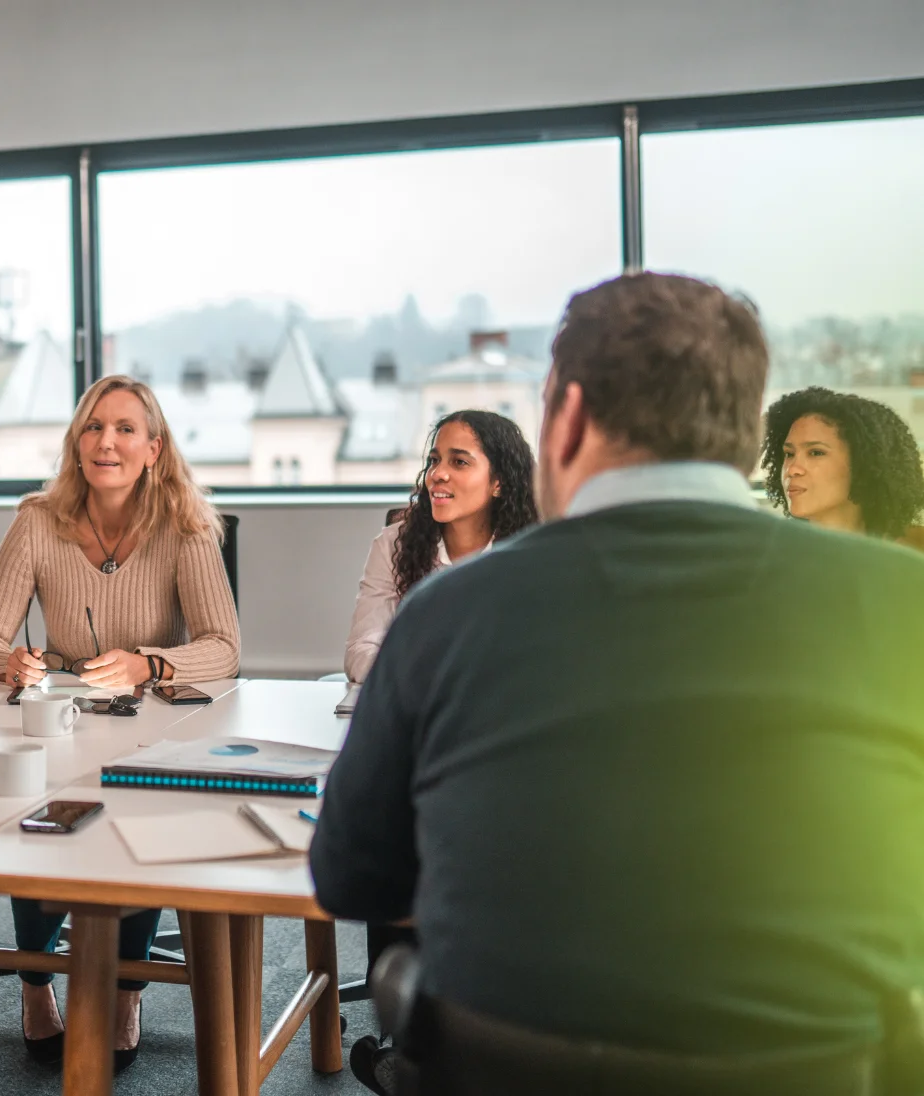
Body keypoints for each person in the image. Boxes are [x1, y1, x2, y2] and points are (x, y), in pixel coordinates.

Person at [309, 273, 924, 1084]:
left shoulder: (446, 614)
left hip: (499, 1067)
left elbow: (354, 874)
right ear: (744, 433)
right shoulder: (898, 603)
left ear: (564, 421)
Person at [0, 374, 240, 1070]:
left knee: (136, 824)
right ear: (75, 442)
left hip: (149, 726)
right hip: (61, 719)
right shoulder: (37, 518)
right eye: (92, 427)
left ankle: (126, 993)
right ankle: (34, 984)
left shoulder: (187, 525)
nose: (105, 441)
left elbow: (224, 647)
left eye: (122, 429)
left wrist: (148, 664)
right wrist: (13, 662)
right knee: (34, 810)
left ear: (154, 448)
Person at [343, 410, 536, 683]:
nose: (437, 474)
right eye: (434, 461)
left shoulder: (531, 554)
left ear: (498, 483)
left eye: (459, 462)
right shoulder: (393, 545)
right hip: (416, 707)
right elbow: (362, 649)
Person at [760, 386, 924, 547]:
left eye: (816, 453)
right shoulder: (767, 555)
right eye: (789, 454)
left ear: (863, 461)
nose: (792, 469)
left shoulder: (914, 553)